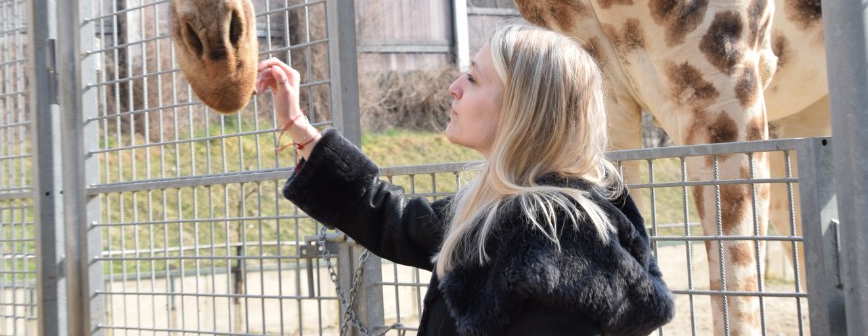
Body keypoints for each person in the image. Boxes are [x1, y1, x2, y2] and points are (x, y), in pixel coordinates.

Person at [256, 22, 676, 335]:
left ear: (521, 110)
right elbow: (397, 222)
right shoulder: (502, 209)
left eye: (473, 78)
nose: (454, 87)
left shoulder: (559, 237)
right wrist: (298, 126)